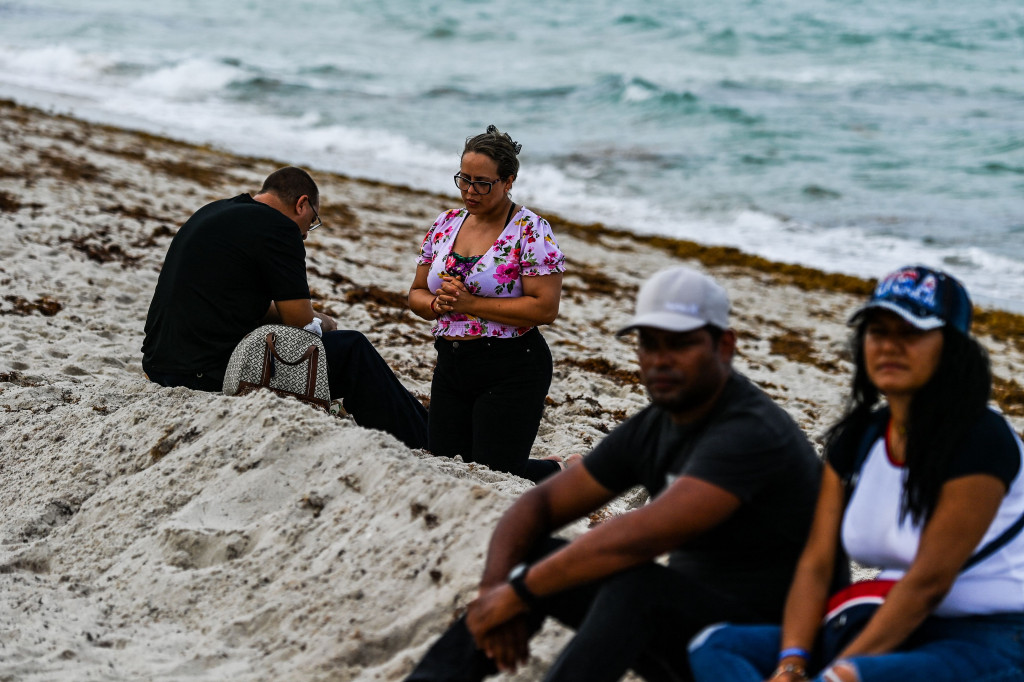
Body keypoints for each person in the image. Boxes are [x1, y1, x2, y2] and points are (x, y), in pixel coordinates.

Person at [404, 266, 823, 682]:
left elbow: (640, 535)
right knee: (532, 556)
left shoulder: (749, 431)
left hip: (764, 650)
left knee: (635, 588)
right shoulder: (661, 421)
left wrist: (519, 593)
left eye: (680, 344)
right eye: (649, 344)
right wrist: (495, 593)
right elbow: (540, 503)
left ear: (725, 346)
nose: (660, 359)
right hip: (686, 627)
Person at [688, 265, 1024, 682]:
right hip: (891, 621)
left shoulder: (981, 439)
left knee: (846, 677)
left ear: (951, 347)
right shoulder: (858, 439)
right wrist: (792, 662)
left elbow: (928, 584)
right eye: (878, 332)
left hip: (996, 638)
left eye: (911, 333)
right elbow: (816, 562)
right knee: (716, 645)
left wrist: (827, 671)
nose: (890, 347)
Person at [142, 166, 428, 449]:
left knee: (336, 347)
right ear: (302, 204)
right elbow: (301, 325)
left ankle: (423, 424)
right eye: (312, 222)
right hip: (202, 373)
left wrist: (313, 316)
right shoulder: (279, 227)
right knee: (353, 349)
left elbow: (242, 302)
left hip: (160, 364)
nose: (306, 234)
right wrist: (324, 322)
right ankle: (423, 438)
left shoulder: (215, 211)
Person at [408, 125, 566, 483]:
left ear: (508, 181)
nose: (470, 191)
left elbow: (545, 309)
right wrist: (437, 306)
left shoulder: (531, 230)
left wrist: (470, 302)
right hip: (451, 364)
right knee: (447, 468)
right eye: (464, 179)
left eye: (482, 183)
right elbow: (416, 292)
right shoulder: (445, 224)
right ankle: (555, 467)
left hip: (512, 367)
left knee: (495, 475)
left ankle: (557, 471)